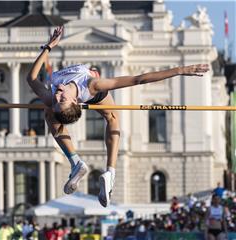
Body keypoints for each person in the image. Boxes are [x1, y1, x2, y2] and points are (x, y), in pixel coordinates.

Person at [27, 26, 209, 207]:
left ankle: (92, 168)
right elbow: (138, 79)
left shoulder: (57, 95)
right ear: (74, 102)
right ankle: (95, 168)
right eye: (62, 99)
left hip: (90, 91)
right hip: (91, 92)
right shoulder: (89, 86)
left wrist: (49, 47)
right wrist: (179, 70)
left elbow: (31, 78)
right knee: (105, 117)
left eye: (59, 99)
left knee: (54, 109)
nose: (58, 95)